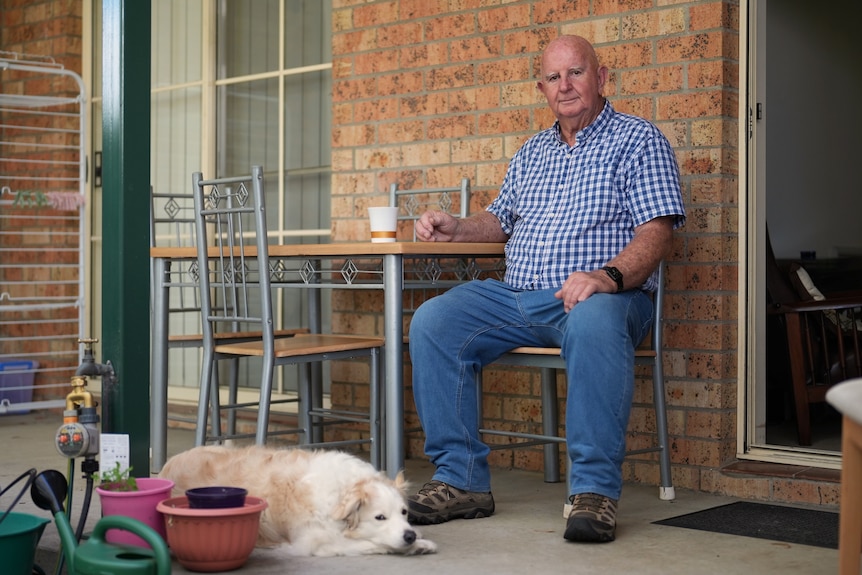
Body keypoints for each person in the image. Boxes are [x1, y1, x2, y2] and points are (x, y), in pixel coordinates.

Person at [405, 34, 686, 543]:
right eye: (554, 77)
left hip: (605, 298)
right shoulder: (532, 151)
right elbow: (500, 220)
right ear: (542, 89)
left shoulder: (639, 140)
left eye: (576, 72)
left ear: (601, 78)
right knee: (433, 320)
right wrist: (457, 227)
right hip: (518, 296)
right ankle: (461, 480)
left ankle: (593, 492)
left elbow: (657, 232)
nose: (565, 85)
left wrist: (606, 277)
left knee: (594, 317)